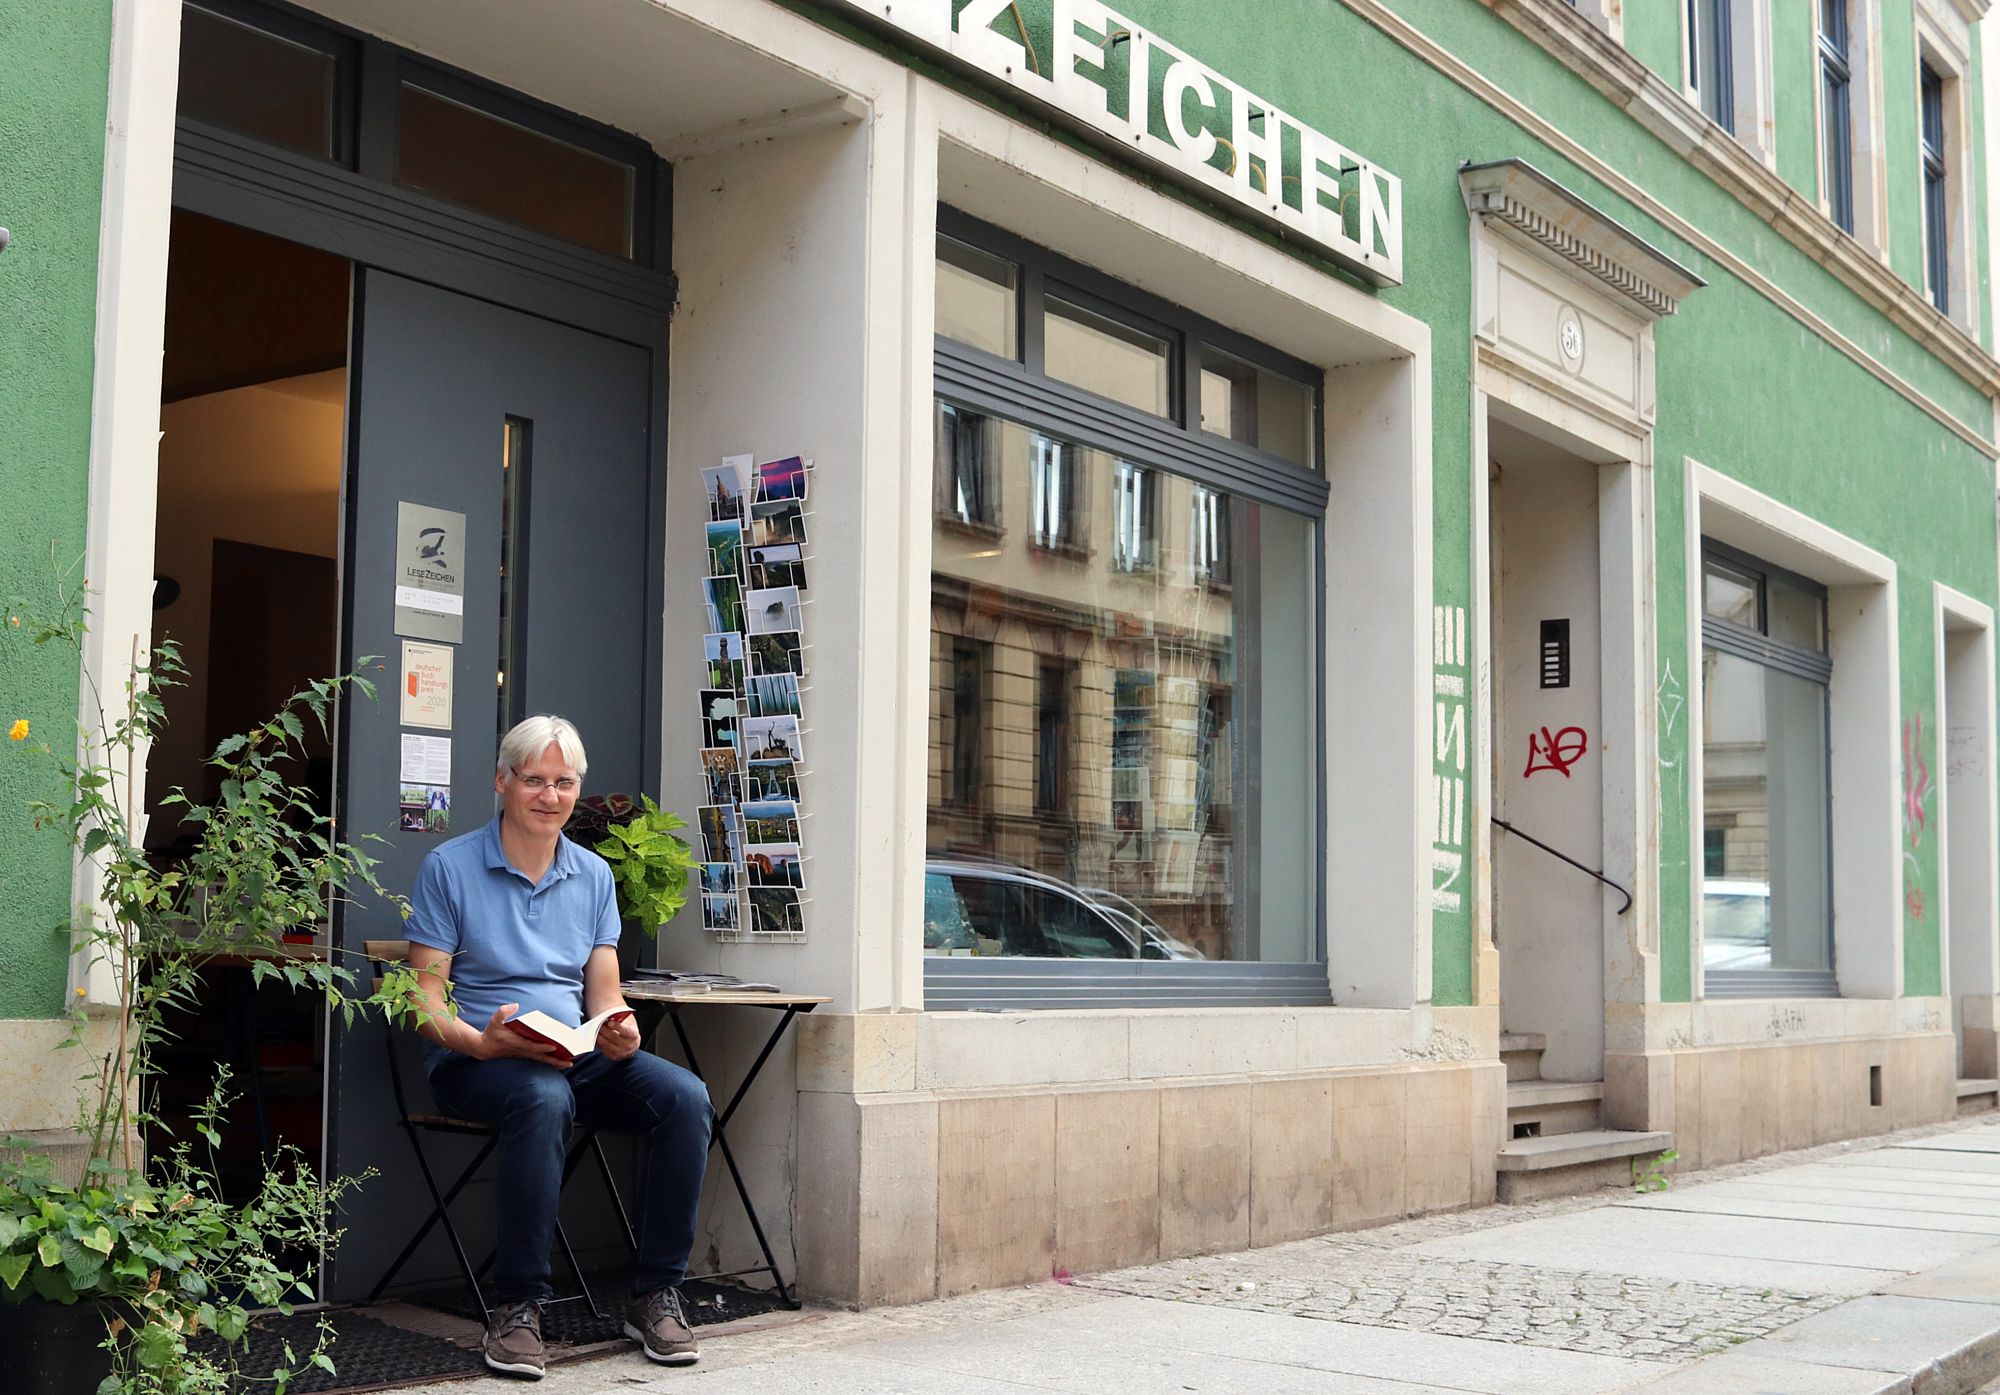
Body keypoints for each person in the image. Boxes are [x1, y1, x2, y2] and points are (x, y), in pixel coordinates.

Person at [404, 715, 711, 1379]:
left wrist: (618, 1024)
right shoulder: (449, 867)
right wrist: (480, 1043)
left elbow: (601, 991)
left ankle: (654, 1292)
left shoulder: (594, 875)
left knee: (685, 1096)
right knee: (542, 1098)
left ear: (577, 790)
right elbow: (422, 1001)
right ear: (503, 782)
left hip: (571, 1054)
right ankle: (518, 1307)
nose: (549, 795)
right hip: (476, 1060)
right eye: (534, 780)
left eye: (563, 782)